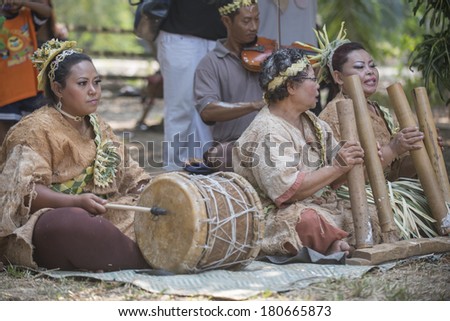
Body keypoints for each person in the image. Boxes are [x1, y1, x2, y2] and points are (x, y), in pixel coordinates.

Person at [0, 39, 152, 272]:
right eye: (82, 83)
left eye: (96, 82)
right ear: (58, 89)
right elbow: (24, 191)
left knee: (155, 210)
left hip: (101, 212)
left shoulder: (98, 125)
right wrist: (74, 202)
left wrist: (150, 192)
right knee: (71, 224)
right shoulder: (34, 129)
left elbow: (131, 174)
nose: (94, 90)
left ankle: (132, 253)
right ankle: (147, 259)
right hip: (49, 219)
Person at [233, 47, 386, 259]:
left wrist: (360, 160)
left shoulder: (313, 123)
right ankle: (332, 245)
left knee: (368, 214)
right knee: (307, 222)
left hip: (321, 204)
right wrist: (338, 166)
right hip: (277, 213)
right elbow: (288, 191)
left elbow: (334, 178)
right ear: (290, 87)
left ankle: (335, 245)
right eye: (312, 80)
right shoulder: (267, 130)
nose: (318, 86)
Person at [308, 23, 440, 237]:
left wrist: (419, 150)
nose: (369, 72)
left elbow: (395, 172)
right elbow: (341, 178)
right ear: (339, 77)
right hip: (360, 200)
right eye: (359, 67)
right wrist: (394, 148)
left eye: (372, 65)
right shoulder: (331, 116)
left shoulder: (381, 111)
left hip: (392, 193)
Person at [194, 0, 265, 172]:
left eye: (257, 19)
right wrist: (253, 105)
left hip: (271, 140)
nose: (254, 27)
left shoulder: (268, 56)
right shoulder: (210, 63)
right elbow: (208, 110)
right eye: (246, 21)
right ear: (227, 21)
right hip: (235, 144)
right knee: (219, 155)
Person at [156, 0, 227, 171]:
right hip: (181, 34)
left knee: (215, 110)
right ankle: (175, 173)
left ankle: (207, 170)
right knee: (181, 109)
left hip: (221, 36)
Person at [0, 0, 52, 145]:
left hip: (31, 88)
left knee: (34, 131)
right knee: (6, 137)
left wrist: (23, 3)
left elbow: (47, 11)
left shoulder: (27, 16)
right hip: (5, 92)